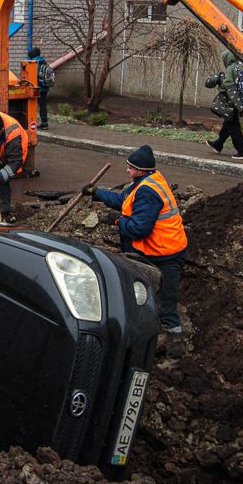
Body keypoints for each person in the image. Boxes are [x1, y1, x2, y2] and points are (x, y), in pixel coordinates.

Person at [83, 145, 188, 347]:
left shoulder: (147, 192)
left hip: (165, 253)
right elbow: (123, 200)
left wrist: (117, 221)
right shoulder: (146, 182)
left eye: (131, 168)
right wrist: (97, 193)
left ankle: (176, 346)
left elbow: (139, 229)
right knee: (146, 296)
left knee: (166, 303)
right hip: (158, 250)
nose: (128, 171)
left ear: (141, 170)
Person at [205, 50, 243, 160]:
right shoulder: (239, 68)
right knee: (228, 124)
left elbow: (230, 87)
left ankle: (242, 151)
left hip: (232, 102)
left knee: (234, 127)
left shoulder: (231, 69)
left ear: (227, 59)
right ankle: (218, 144)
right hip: (237, 101)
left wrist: (238, 106)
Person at [32, 47, 53, 129]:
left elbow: (34, 76)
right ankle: (44, 123)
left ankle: (33, 124)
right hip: (44, 87)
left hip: (37, 88)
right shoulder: (43, 61)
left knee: (33, 105)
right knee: (43, 105)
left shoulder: (34, 62)